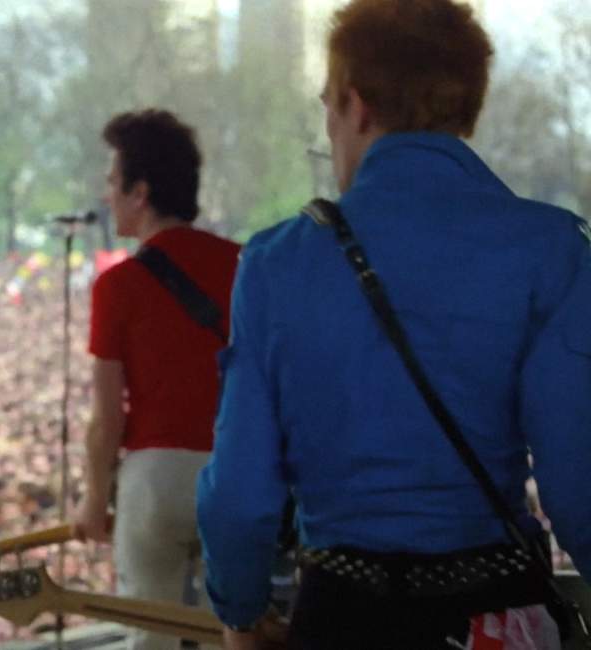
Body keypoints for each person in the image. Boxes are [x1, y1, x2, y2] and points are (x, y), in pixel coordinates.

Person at [196, 1, 591, 649]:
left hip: (343, 617)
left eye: (327, 108)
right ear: (466, 107)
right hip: (496, 614)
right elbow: (579, 485)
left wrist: (239, 612)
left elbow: (240, 498)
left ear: (355, 106)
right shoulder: (552, 251)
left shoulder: (277, 263)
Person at [73, 109, 241, 650]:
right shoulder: (245, 265)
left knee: (149, 634)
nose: (106, 195)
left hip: (154, 478)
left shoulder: (117, 286)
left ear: (140, 192)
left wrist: (94, 499)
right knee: (229, 632)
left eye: (112, 182)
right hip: (236, 471)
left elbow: (107, 417)